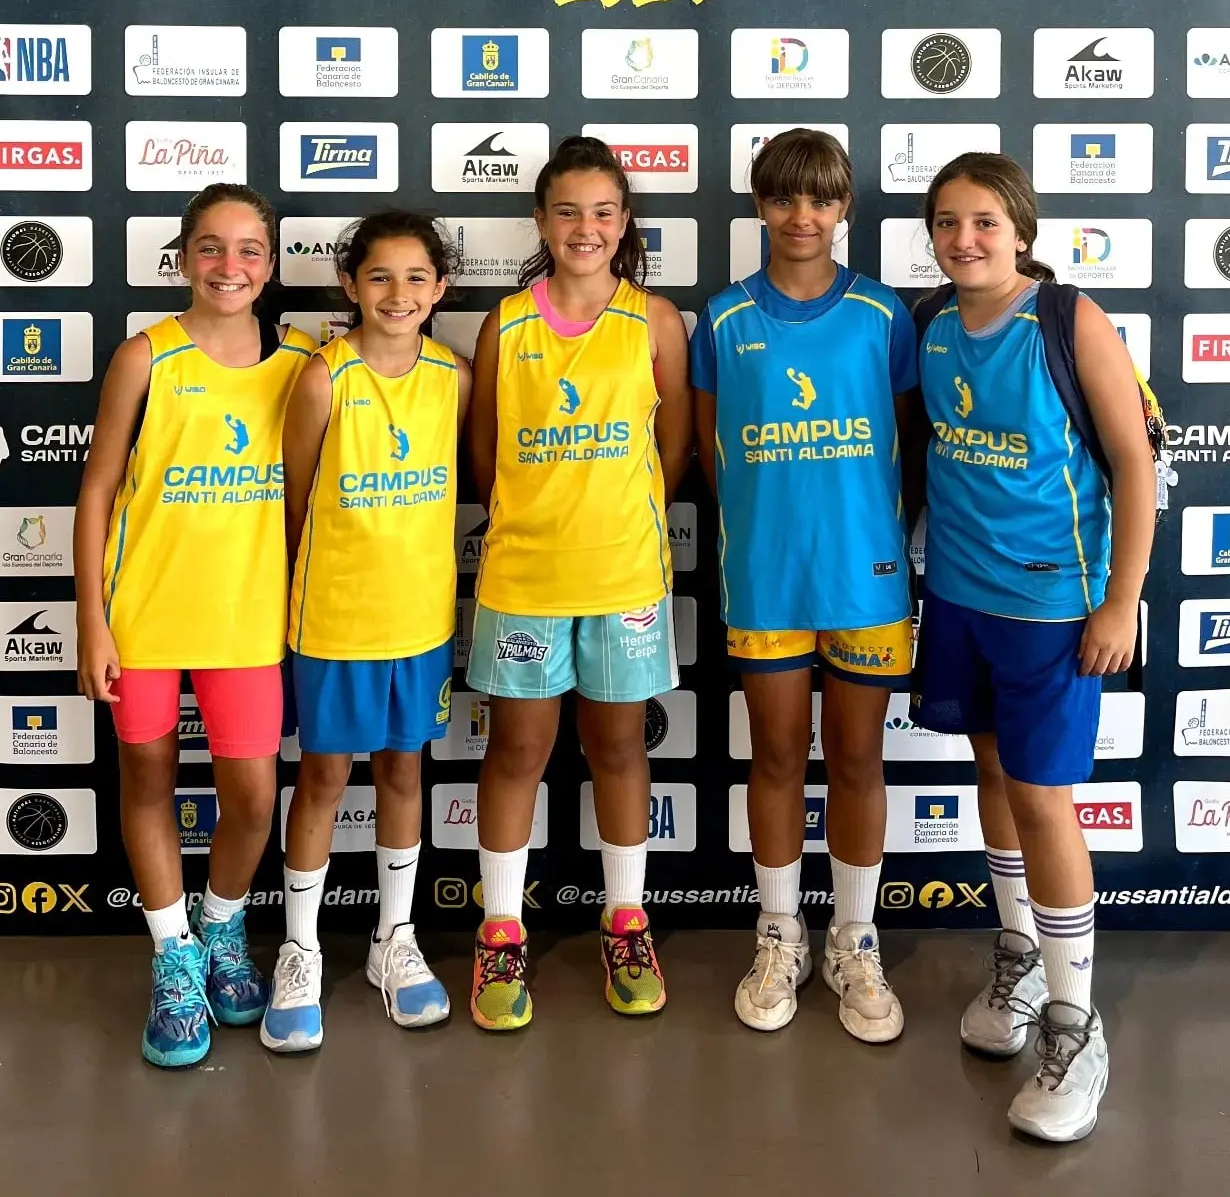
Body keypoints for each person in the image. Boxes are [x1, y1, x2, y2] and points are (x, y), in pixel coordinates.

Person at [910, 152, 1156, 1142]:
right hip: (959, 596)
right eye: (947, 221)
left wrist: (1120, 602)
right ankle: (1017, 959)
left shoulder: (1068, 319)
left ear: (1021, 230)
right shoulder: (929, 323)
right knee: (995, 776)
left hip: (1054, 606)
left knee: (1045, 800)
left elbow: (1135, 463)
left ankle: (1075, 1024)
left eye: (984, 221)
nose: (964, 239)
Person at [74, 184, 315, 1068]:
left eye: (249, 249)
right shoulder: (147, 356)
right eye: (211, 247)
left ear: (272, 264)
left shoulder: (305, 363)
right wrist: (92, 622)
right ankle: (173, 958)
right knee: (149, 780)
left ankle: (221, 927)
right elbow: (98, 490)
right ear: (183, 258)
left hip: (249, 619)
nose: (229, 265)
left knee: (251, 798)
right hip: (145, 615)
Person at [691, 128, 918, 1041]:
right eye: (784, 198)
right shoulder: (723, 320)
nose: (801, 216)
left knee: (859, 761)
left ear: (844, 208)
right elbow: (713, 457)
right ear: (759, 205)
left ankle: (855, 940)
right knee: (778, 758)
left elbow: (912, 444)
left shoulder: (883, 315)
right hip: (767, 579)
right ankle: (779, 933)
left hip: (867, 579)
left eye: (820, 199)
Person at [465, 136, 691, 1031]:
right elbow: (484, 455)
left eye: (603, 211)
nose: (585, 228)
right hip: (524, 579)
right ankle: (500, 933)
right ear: (540, 221)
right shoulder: (505, 325)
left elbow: (673, 451)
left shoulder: (654, 322)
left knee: (620, 750)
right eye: (567, 211)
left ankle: (625, 922)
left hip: (625, 577)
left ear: (625, 221)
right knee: (516, 752)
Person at [259, 212, 471, 1051]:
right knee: (321, 778)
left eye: (417, 277)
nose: (398, 293)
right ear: (349, 284)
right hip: (337, 617)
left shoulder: (453, 377)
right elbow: (295, 499)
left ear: (441, 288)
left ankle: (394, 940)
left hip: (419, 617)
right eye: (379, 276)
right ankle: (301, 950)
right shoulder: (325, 378)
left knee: (403, 772)